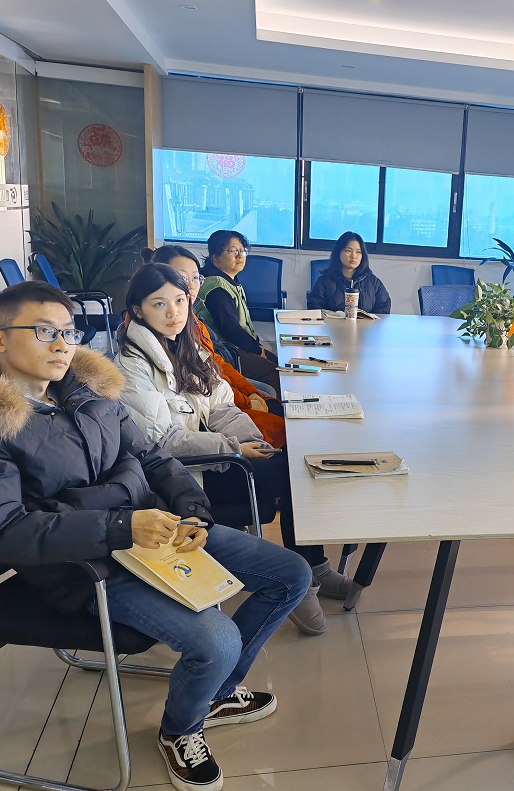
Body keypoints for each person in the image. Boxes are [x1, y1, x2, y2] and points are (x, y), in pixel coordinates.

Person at [0, 281, 311, 791]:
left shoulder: (84, 392)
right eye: (44, 332)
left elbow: (151, 457)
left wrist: (192, 509)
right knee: (217, 639)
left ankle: (215, 693)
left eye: (68, 332)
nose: (62, 344)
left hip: (149, 533)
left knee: (290, 574)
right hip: (80, 566)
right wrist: (120, 526)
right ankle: (181, 729)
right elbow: (1, 530)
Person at [114, 264, 352, 636]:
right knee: (293, 474)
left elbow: (222, 406)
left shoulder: (185, 345)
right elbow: (162, 444)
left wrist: (251, 443)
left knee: (292, 465)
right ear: (138, 310)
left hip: (216, 456)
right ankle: (306, 578)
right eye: (159, 304)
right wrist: (233, 448)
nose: (173, 312)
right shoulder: (131, 367)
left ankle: (312, 568)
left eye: (179, 301)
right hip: (183, 477)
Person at [150, 245, 285, 450]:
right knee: (283, 431)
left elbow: (214, 365)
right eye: (181, 277)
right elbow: (202, 389)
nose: (191, 285)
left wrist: (249, 394)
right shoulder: (163, 336)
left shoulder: (192, 321)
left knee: (281, 415)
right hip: (205, 422)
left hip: (219, 408)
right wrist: (247, 402)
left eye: (196, 277)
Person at [196, 230, 280, 393]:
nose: (240, 256)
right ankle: (271, 407)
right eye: (233, 251)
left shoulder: (228, 279)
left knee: (277, 362)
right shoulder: (215, 286)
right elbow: (231, 330)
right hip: (225, 352)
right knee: (273, 372)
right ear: (215, 257)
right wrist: (257, 349)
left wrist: (256, 346)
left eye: (242, 250)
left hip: (235, 345)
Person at [307, 232, 391, 314]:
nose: (353, 256)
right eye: (348, 251)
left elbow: (384, 308)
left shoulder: (374, 282)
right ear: (338, 252)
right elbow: (314, 307)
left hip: (365, 324)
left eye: (358, 252)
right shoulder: (324, 281)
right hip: (333, 323)